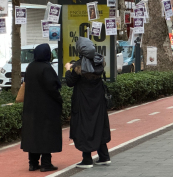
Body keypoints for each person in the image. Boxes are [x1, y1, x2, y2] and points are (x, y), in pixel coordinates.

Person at [65, 37, 111, 168]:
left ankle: (87, 159)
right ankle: (104, 156)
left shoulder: (78, 66)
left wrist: (68, 69)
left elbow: (70, 82)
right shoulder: (99, 61)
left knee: (84, 127)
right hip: (98, 101)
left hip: (83, 102)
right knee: (99, 125)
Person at [21, 44, 62, 172]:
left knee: (33, 134)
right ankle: (46, 163)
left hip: (30, 108)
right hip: (46, 108)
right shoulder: (46, 68)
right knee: (46, 134)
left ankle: (32, 163)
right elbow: (52, 88)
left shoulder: (30, 67)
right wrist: (59, 100)